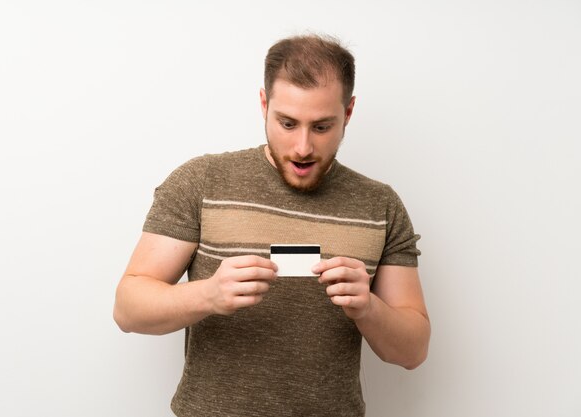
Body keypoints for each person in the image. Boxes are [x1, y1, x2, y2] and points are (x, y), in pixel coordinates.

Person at [114, 33, 430, 417]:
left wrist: (368, 307)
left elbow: (413, 351)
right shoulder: (201, 182)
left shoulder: (381, 206)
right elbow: (128, 309)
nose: (302, 147)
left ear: (348, 113)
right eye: (287, 122)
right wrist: (208, 295)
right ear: (264, 104)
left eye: (321, 127)